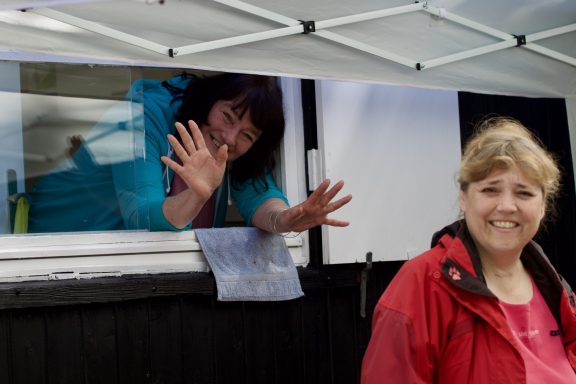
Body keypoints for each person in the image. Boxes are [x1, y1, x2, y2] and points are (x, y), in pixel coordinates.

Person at [361, 117, 576, 384]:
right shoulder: (422, 283)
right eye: (490, 190)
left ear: (543, 205)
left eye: (524, 193)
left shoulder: (556, 288)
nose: (507, 206)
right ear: (464, 197)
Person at [27, 72, 352, 233]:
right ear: (208, 101)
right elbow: (141, 215)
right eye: (227, 116)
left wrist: (286, 220)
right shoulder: (141, 117)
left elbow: (259, 193)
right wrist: (197, 195)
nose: (229, 138)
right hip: (61, 245)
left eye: (248, 135)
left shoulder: (233, 148)